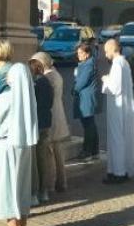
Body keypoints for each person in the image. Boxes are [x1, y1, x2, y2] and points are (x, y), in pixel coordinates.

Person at [0, 41, 38, 226]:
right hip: (22, 144)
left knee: (8, 190)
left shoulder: (7, 95)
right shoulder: (27, 96)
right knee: (22, 189)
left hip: (5, 144)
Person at [100, 38, 134, 183]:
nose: (105, 55)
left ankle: (118, 172)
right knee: (120, 138)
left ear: (112, 49)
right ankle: (118, 169)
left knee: (117, 138)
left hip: (118, 108)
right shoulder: (124, 63)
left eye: (106, 51)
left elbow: (115, 88)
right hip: (123, 107)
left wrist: (105, 79)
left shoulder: (117, 64)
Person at [41, 50, 70, 192]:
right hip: (59, 114)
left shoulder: (48, 77)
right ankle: (61, 182)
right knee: (58, 152)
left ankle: (50, 184)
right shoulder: (56, 74)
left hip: (52, 116)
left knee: (50, 153)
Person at [29, 53, 54, 204]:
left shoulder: (35, 83)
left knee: (36, 160)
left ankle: (36, 192)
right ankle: (44, 191)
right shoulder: (47, 82)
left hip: (37, 124)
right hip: (46, 122)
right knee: (43, 158)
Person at [72, 42, 99, 161]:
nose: (79, 56)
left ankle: (88, 150)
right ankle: (94, 150)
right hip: (86, 97)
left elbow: (82, 81)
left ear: (87, 54)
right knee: (90, 123)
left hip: (86, 98)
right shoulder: (86, 63)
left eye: (81, 53)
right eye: (78, 53)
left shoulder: (87, 65)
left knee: (88, 125)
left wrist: (74, 89)